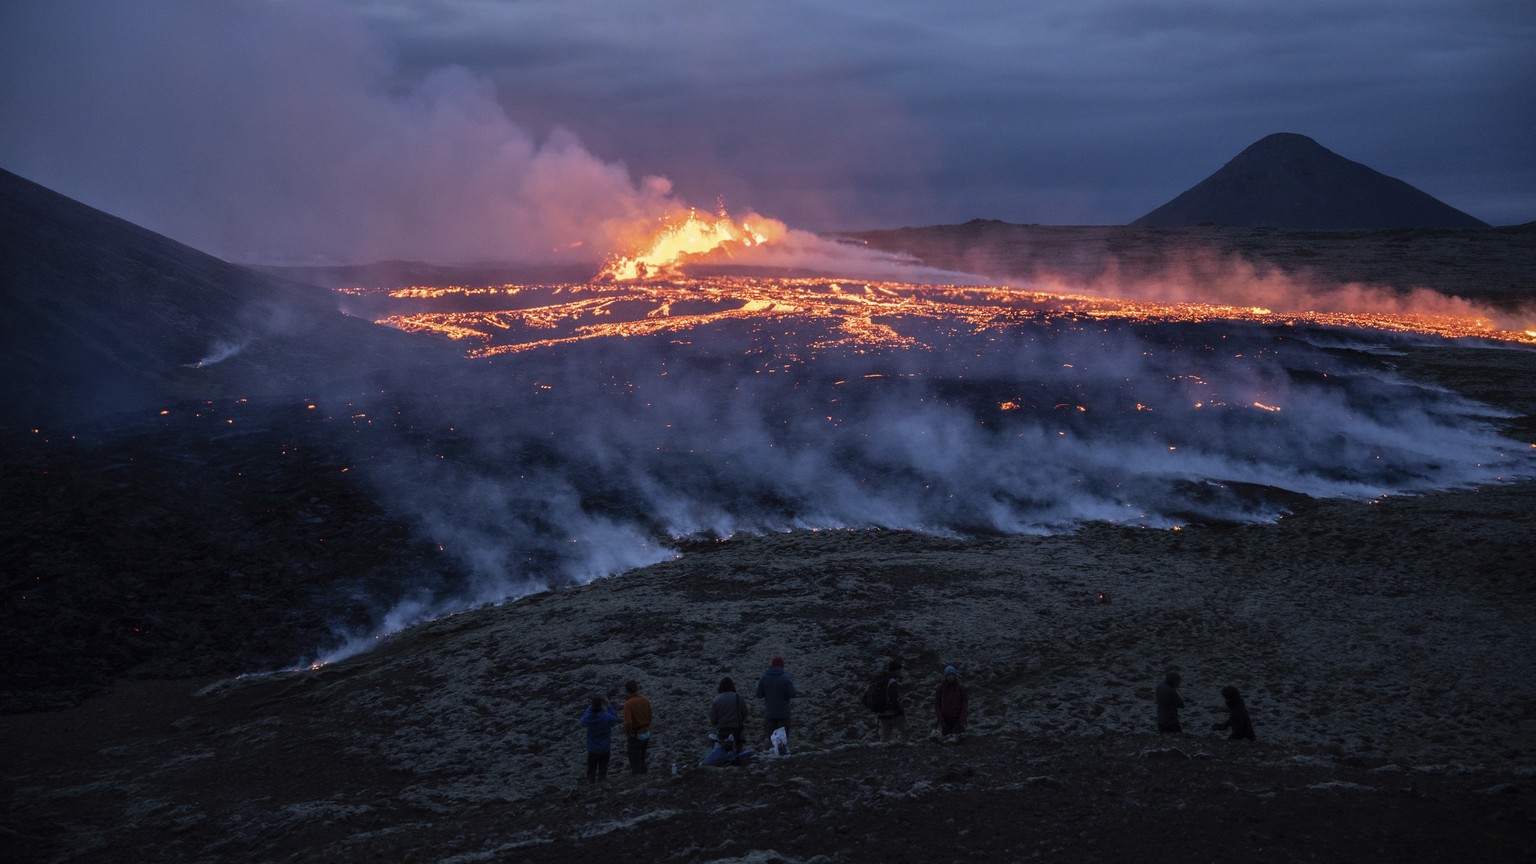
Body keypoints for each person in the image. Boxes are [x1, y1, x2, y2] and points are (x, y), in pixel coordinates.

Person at [755, 656, 798, 747]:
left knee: (769, 736)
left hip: (770, 712)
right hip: (783, 713)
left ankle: (767, 755)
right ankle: (780, 757)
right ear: (782, 666)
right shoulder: (785, 678)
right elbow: (793, 694)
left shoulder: (764, 677)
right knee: (782, 737)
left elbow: (758, 695)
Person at [579, 695, 622, 783]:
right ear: (602, 705)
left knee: (591, 769)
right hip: (605, 748)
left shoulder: (588, 718)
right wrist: (609, 706)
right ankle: (602, 785)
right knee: (603, 769)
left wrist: (591, 707)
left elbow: (582, 720)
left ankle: (591, 786)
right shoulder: (606, 717)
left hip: (593, 749)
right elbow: (615, 718)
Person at [709, 676, 748, 756]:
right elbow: (745, 712)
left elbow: (713, 719)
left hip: (722, 729)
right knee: (738, 753)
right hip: (736, 729)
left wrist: (719, 723)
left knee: (723, 752)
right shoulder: (738, 697)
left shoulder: (716, 699)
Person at [621, 679, 654, 773]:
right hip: (646, 733)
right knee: (643, 758)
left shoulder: (628, 704)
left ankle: (638, 779)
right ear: (637, 688)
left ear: (626, 690)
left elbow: (628, 722)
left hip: (635, 735)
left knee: (635, 761)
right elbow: (650, 716)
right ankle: (645, 778)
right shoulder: (645, 700)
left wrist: (628, 732)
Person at [875, 657, 906, 742]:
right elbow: (894, 699)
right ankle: (903, 750)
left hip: (881, 713)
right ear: (896, 671)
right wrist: (900, 710)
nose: (901, 672)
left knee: (885, 737)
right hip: (892, 713)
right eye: (900, 670)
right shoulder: (892, 682)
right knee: (906, 731)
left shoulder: (881, 680)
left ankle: (884, 754)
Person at [934, 665, 968, 738]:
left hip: (958, 718)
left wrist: (962, 718)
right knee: (945, 741)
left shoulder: (961, 687)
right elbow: (937, 705)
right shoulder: (940, 688)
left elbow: (964, 704)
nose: (951, 677)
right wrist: (941, 719)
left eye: (952, 675)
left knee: (960, 740)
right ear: (945, 676)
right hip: (945, 719)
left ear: (955, 675)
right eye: (948, 675)